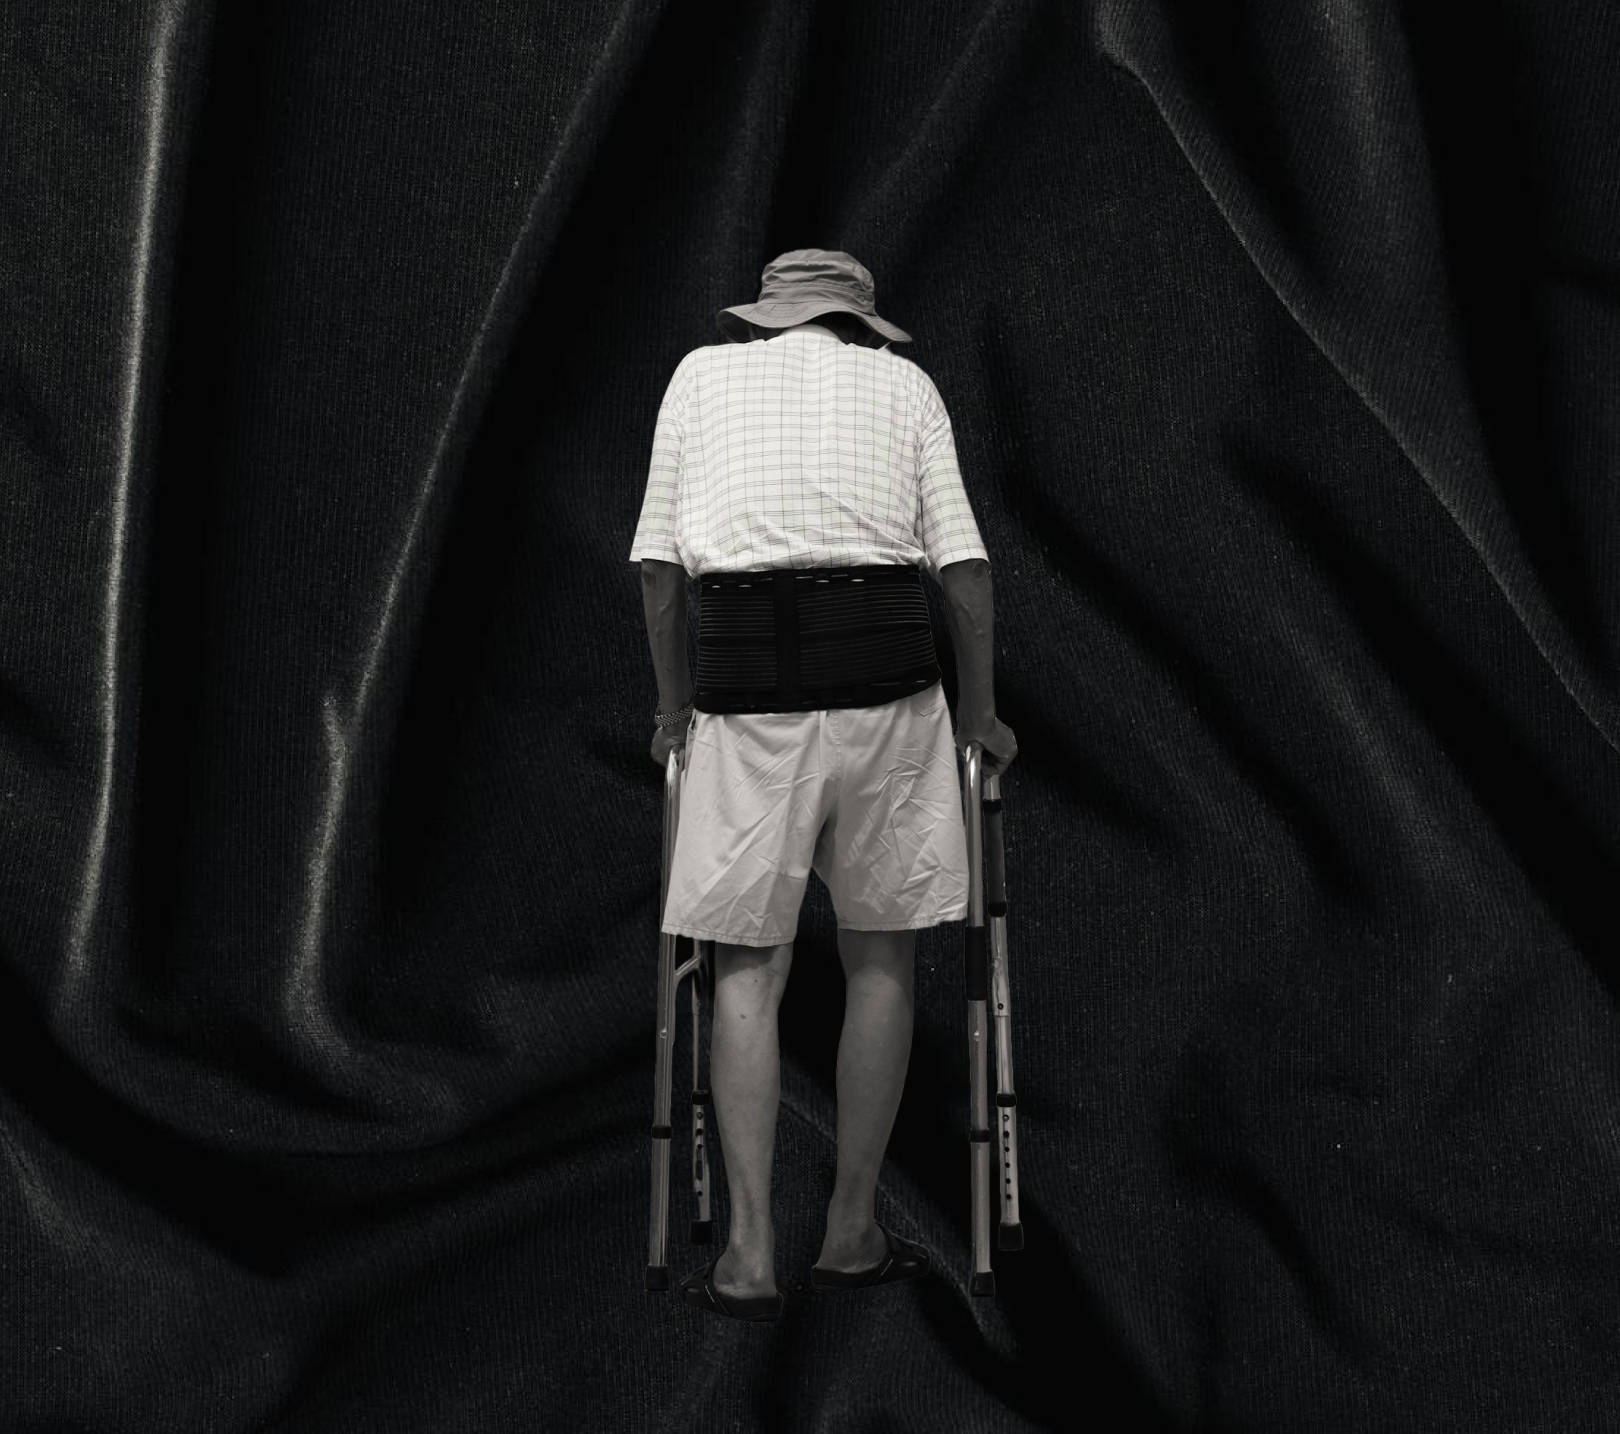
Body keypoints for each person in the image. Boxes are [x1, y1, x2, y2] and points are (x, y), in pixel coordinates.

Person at [629, 248, 1016, 1321]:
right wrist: (979, 717)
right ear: (859, 321)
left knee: (748, 967)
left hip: (747, 691)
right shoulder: (906, 386)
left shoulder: (700, 377)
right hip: (889, 689)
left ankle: (750, 1256)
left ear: (768, 316)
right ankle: (849, 1231)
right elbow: (967, 575)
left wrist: (673, 709)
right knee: (880, 956)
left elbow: (661, 572)